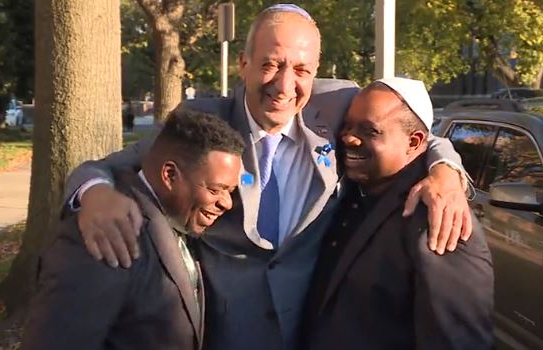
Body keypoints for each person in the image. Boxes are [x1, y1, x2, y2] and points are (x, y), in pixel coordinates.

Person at [64, 4, 473, 350]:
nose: (285, 85)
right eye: (271, 65)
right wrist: (95, 194)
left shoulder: (339, 104)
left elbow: (419, 134)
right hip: (222, 334)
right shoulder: (200, 123)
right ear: (243, 63)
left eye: (301, 69)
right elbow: (101, 167)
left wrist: (447, 171)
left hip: (314, 332)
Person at [21, 109, 244, 350]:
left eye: (230, 191)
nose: (227, 203)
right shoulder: (106, 236)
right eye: (215, 189)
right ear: (169, 175)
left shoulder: (179, 218)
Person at [306, 78, 494, 349]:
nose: (348, 137)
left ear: (415, 142)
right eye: (347, 125)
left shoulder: (438, 221)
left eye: (369, 130)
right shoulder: (357, 190)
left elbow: (456, 341)